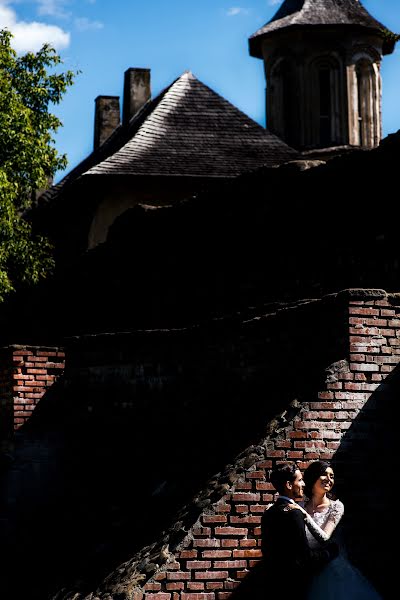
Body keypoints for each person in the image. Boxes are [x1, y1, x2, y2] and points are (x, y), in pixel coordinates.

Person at [290, 460, 383, 600]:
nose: (329, 479)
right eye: (324, 475)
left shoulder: (336, 507)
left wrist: (303, 515)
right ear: (313, 477)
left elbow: (325, 537)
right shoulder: (300, 505)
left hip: (331, 568)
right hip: (307, 568)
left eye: (332, 476)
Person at [261, 462, 339, 599]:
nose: (304, 484)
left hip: (273, 583)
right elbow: (305, 557)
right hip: (294, 584)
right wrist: (329, 553)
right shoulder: (294, 513)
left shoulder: (268, 512)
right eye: (300, 480)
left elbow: (266, 550)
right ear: (289, 485)